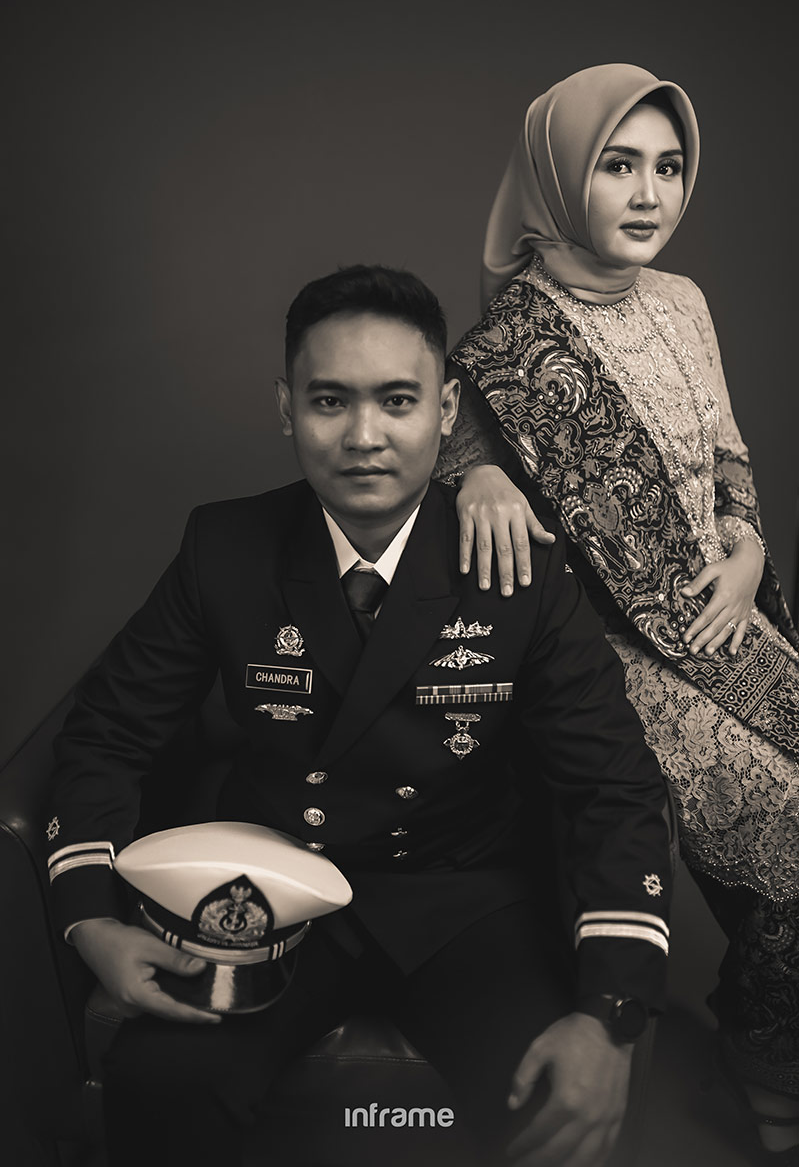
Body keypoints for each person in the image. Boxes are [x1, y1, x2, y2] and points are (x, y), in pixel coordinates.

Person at [46, 264, 673, 1167]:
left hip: (464, 899)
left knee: (550, 1102)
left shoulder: (523, 569)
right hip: (272, 895)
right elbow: (108, 733)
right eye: (330, 401)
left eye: (397, 400)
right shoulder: (224, 548)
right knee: (162, 1082)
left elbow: (611, 784)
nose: (364, 436)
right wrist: (90, 920)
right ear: (286, 408)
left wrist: (610, 1013)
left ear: (446, 410)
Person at [436, 63, 799, 1159]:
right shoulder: (508, 344)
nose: (650, 195)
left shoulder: (682, 300)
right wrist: (473, 475)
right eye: (617, 166)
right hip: (622, 660)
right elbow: (440, 440)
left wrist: (749, 549)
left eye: (669, 166)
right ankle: (766, 1062)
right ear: (557, 178)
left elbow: (727, 453)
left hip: (734, 618)